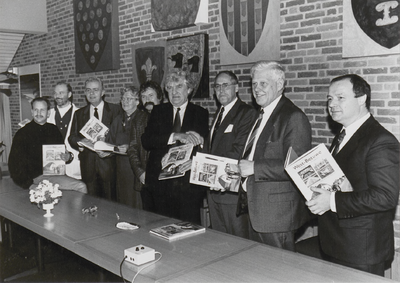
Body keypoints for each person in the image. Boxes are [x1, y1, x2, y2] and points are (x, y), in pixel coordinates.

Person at [306, 74, 400, 276]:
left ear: (362, 99)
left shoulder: (380, 140)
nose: (332, 104)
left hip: (361, 250)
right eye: (329, 99)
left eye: (340, 97)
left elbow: (385, 197)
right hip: (337, 243)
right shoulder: (343, 135)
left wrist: (330, 201)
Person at [237, 61, 312, 251]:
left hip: (276, 216)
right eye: (254, 84)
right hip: (254, 210)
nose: (257, 89)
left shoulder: (293, 117)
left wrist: (254, 167)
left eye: (263, 84)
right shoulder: (259, 115)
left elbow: (298, 167)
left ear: (280, 85)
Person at [141, 70, 209, 224]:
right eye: (170, 88)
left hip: (187, 186)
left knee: (188, 229)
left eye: (179, 87)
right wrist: (175, 136)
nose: (174, 92)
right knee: (158, 227)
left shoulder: (200, 113)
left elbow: (204, 147)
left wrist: (200, 143)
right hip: (159, 185)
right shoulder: (158, 111)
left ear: (189, 89)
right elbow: (147, 140)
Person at [204, 71, 257, 238]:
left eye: (225, 86)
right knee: (219, 240)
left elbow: (239, 151)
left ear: (237, 88)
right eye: (217, 87)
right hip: (213, 190)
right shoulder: (219, 112)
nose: (221, 90)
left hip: (231, 192)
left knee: (237, 242)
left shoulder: (246, 113)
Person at [8, 97, 87, 193]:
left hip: (56, 174)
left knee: (81, 186)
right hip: (35, 178)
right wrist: (29, 185)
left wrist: (68, 156)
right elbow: (13, 165)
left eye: (42, 110)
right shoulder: (22, 133)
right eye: (36, 110)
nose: (38, 113)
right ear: (32, 112)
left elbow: (63, 154)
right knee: (80, 186)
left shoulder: (54, 130)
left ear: (48, 113)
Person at [69, 77, 121, 200]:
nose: (91, 93)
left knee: (110, 206)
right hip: (88, 168)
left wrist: (109, 150)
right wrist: (80, 142)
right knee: (90, 204)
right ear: (85, 93)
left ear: (103, 92)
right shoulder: (79, 113)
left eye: (95, 90)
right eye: (88, 90)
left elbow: (121, 138)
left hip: (109, 167)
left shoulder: (116, 110)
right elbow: (72, 137)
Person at [106, 86, 147, 208]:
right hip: (120, 170)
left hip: (135, 169)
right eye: (123, 99)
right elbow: (110, 141)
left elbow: (146, 143)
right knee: (123, 204)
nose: (125, 102)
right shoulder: (118, 119)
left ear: (137, 101)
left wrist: (130, 147)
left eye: (129, 99)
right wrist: (105, 149)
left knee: (137, 204)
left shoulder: (143, 118)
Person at [127, 82, 162, 210]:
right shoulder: (138, 120)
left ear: (159, 97)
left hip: (165, 179)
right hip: (145, 179)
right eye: (144, 96)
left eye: (151, 95)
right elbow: (132, 149)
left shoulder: (168, 117)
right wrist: (140, 173)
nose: (147, 99)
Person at [48, 81, 81, 179]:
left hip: (74, 168)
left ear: (69, 94)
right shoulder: (48, 114)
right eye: (55, 93)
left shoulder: (80, 114)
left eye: (61, 93)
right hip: (52, 167)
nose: (57, 96)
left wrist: (70, 156)